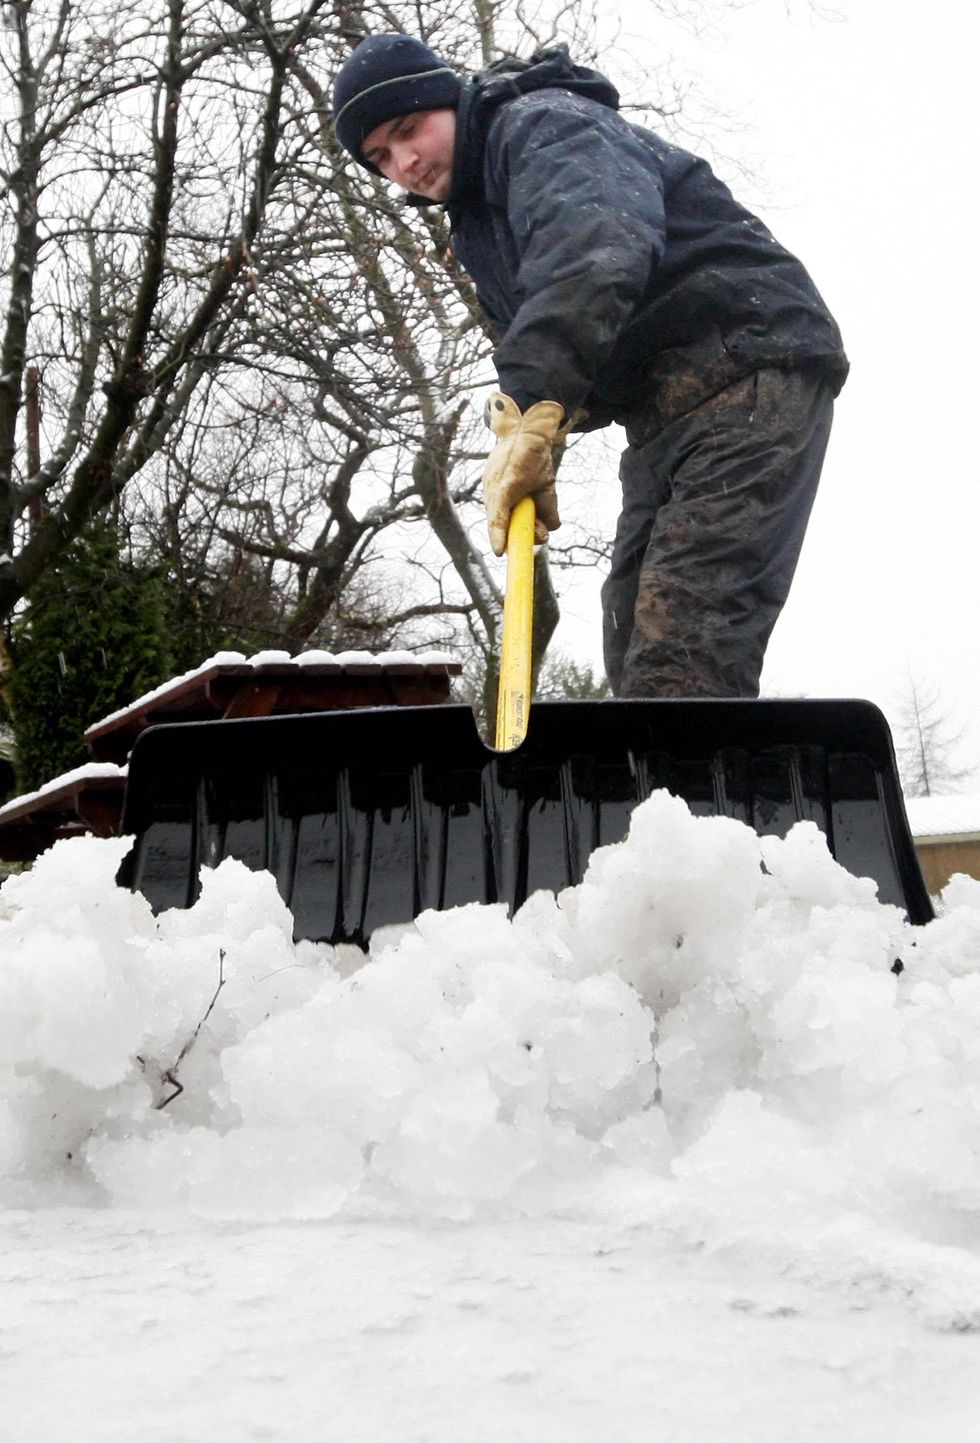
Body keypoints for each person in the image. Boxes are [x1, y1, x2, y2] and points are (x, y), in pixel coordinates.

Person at [332, 34, 848, 698]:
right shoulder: (476, 224)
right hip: (661, 414)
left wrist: (535, 404)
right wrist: (539, 436)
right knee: (630, 641)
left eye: (409, 129)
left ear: (450, 100)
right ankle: (659, 799)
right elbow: (548, 333)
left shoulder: (544, 124)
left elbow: (596, 253)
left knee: (685, 644)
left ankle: (700, 796)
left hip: (746, 364)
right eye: (379, 156)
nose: (402, 161)